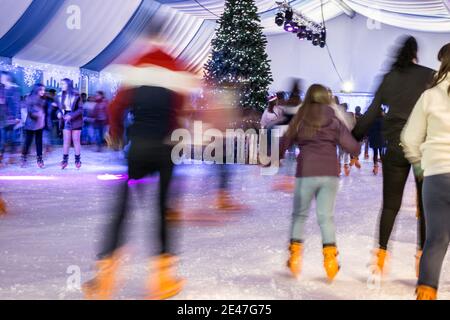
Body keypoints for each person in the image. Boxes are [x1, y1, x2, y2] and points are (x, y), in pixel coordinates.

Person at [82, 40, 197, 300]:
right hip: (166, 148)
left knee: (121, 209)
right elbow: (182, 111)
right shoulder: (175, 69)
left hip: (139, 149)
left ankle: (105, 277)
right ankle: (162, 279)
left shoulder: (137, 69)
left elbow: (115, 107)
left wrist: (116, 134)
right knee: (163, 210)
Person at [352, 36, 435, 275]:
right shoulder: (428, 76)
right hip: (422, 148)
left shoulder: (389, 78)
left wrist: (353, 138)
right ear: (415, 53)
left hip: (395, 148)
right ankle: (422, 258)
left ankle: (381, 254)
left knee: (390, 205)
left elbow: (370, 114)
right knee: (425, 207)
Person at [281, 84, 360, 281]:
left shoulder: (300, 117)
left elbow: (285, 141)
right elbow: (352, 146)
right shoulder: (333, 119)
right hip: (329, 174)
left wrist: (268, 157)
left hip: (306, 172)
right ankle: (330, 261)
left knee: (299, 216)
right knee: (326, 217)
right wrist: (356, 150)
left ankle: (295, 258)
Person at [401, 43, 450, 300]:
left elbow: (409, 138)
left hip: (437, 176)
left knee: (436, 240)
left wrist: (421, 165)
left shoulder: (430, 96)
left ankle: (426, 294)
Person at [56, 79, 83, 169]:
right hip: (65, 119)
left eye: (63, 84)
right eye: (61, 84)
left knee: (76, 140)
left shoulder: (76, 95)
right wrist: (59, 113)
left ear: (68, 85)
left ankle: (77, 160)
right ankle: (65, 160)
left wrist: (71, 115)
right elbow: (59, 109)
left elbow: (80, 109)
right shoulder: (60, 95)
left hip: (76, 119)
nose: (61, 85)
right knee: (66, 141)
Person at [21, 84, 46, 168]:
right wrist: (38, 114)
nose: (43, 92)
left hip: (40, 123)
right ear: (37, 90)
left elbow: (45, 110)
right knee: (28, 141)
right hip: (30, 124)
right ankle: (24, 158)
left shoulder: (43, 99)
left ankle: (39, 159)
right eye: (41, 90)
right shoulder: (29, 98)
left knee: (39, 142)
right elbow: (30, 111)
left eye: (44, 90)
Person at [0, 71, 21, 165]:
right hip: (1, 118)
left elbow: (17, 104)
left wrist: (17, 116)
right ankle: (1, 156)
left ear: (8, 78)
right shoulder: (1, 88)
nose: (1, 79)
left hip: (11, 117)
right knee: (2, 138)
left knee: (12, 138)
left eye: (3, 77)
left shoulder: (14, 89)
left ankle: (11, 156)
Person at [367, 109, 385, 175]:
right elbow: (384, 128)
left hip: (374, 138)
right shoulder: (383, 120)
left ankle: (375, 166)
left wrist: (369, 136)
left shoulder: (372, 119)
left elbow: (369, 129)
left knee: (375, 152)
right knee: (381, 152)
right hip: (381, 138)